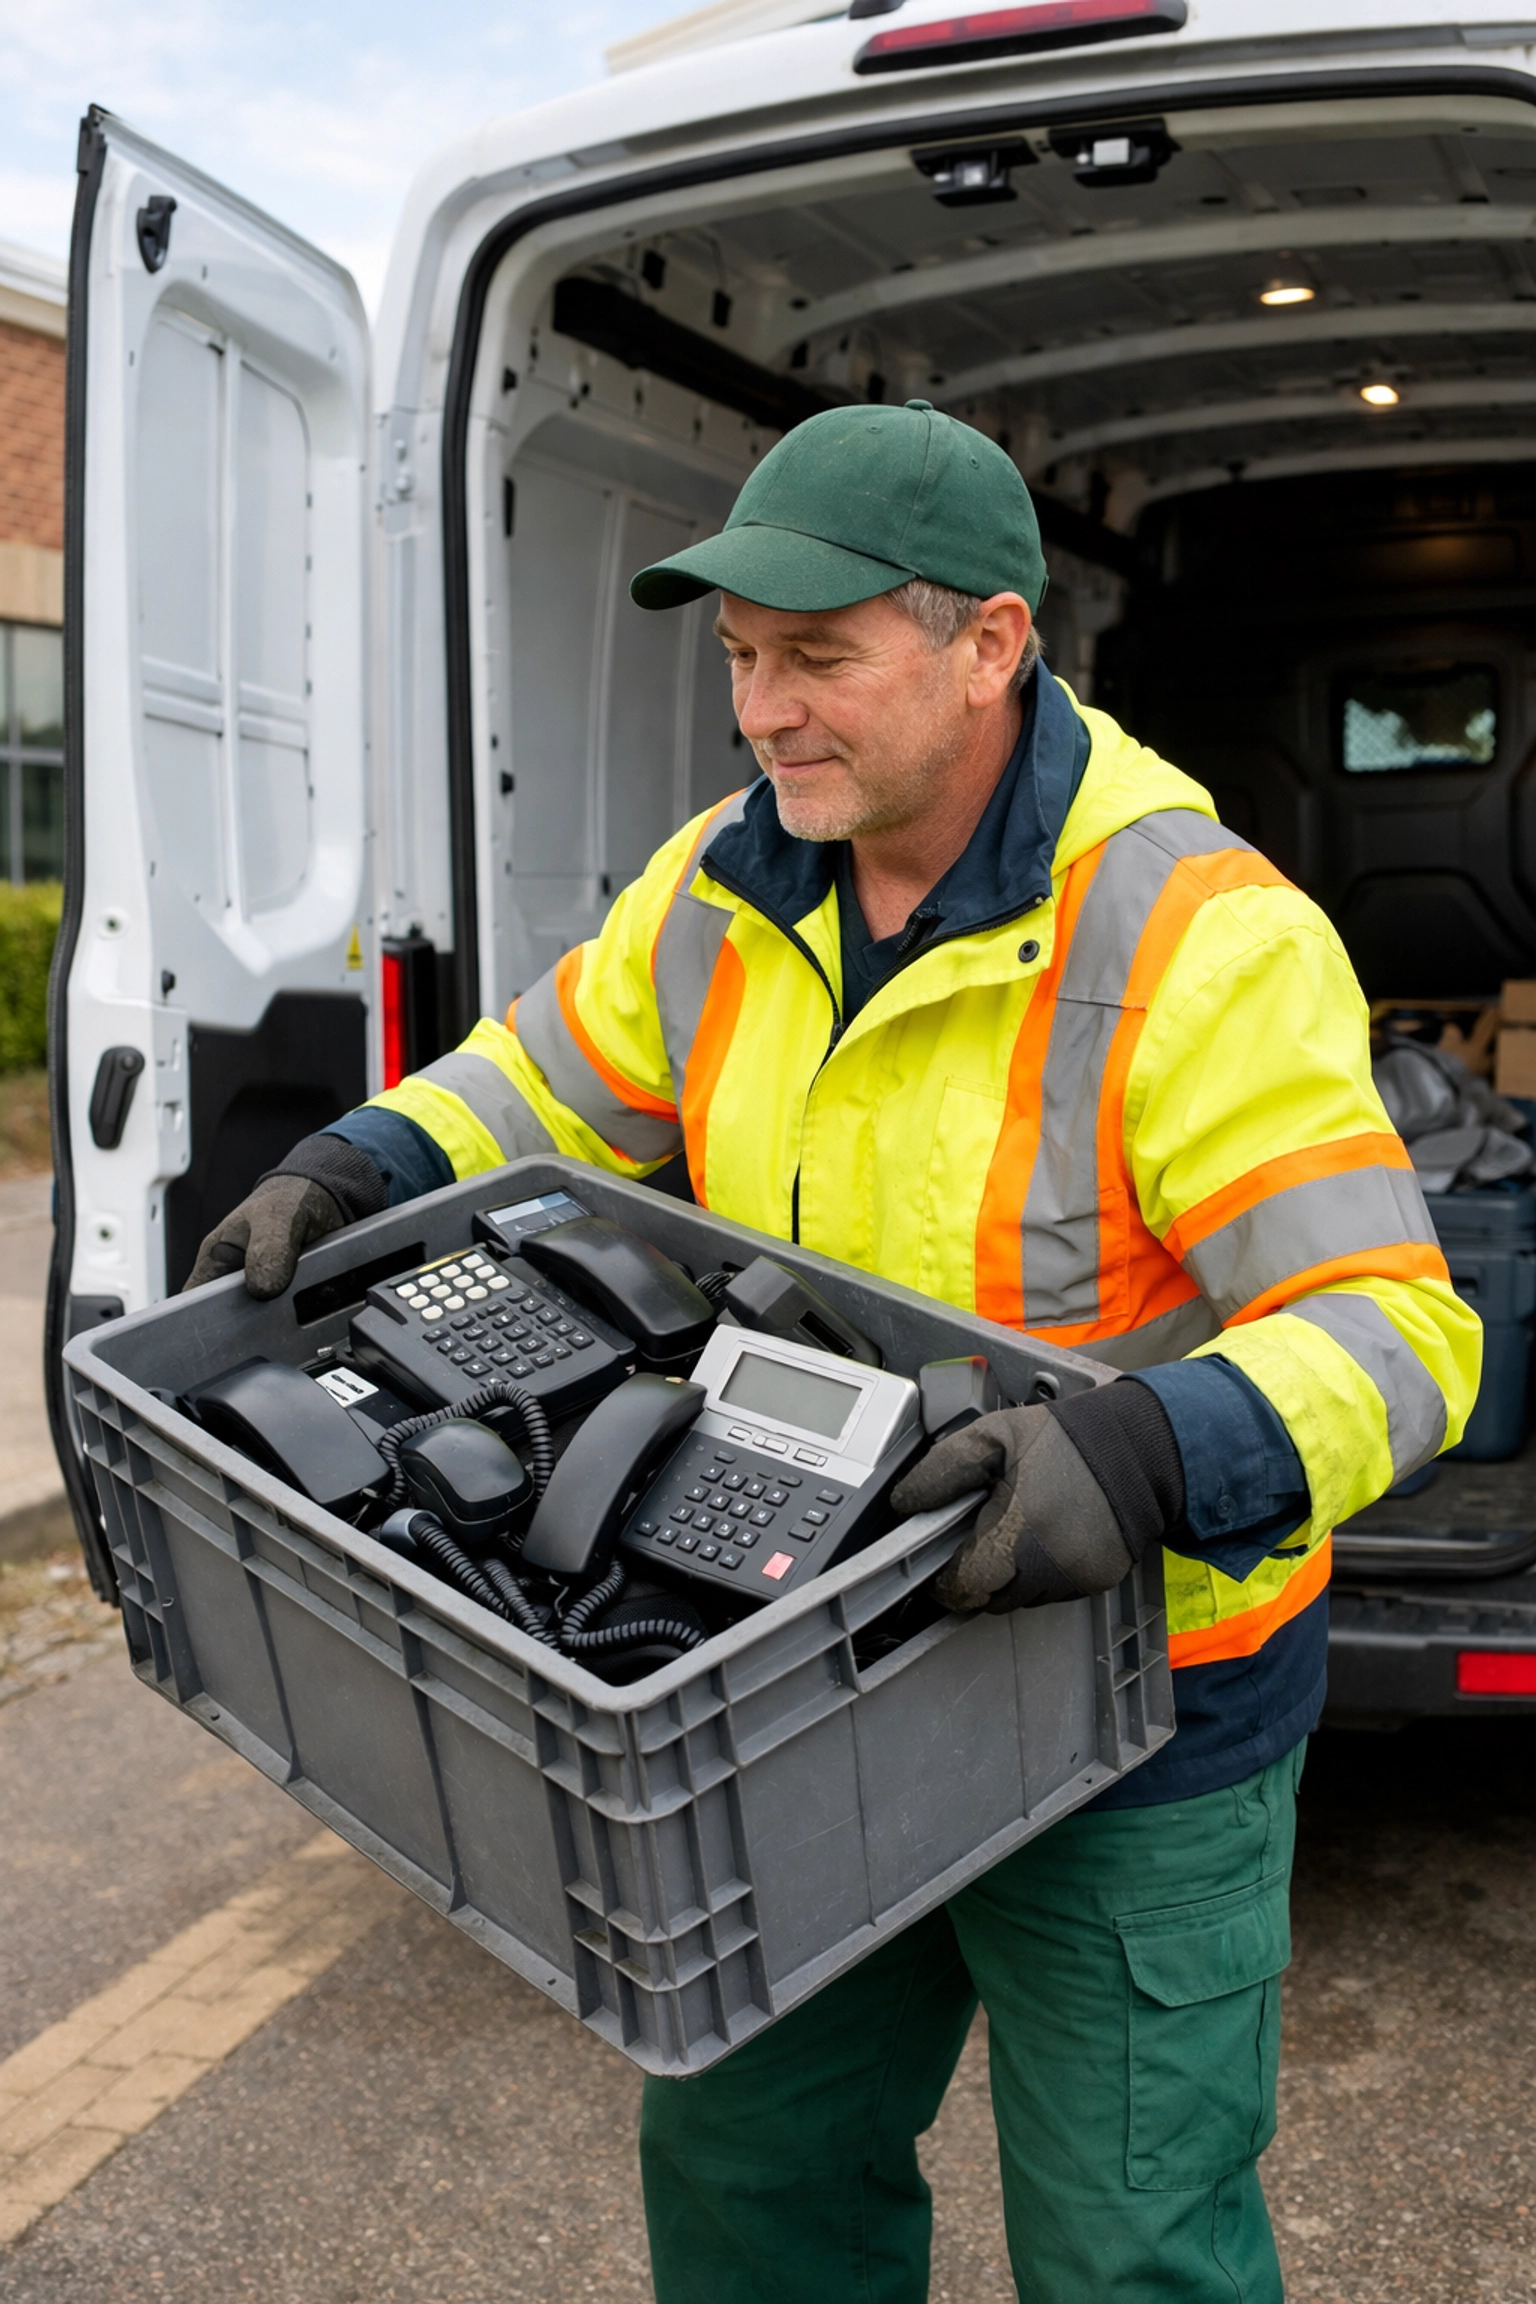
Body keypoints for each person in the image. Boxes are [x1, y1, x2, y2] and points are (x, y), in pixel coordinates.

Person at [188, 400, 1479, 2301]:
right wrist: (362, 1154)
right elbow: (549, 1073)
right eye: (737, 661)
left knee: (1137, 2255)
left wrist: (1140, 1455)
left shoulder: (1197, 934)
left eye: (817, 657)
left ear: (989, 646)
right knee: (748, 2180)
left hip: (1131, 1705)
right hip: (798, 1682)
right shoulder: (720, 880)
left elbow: (1401, 1335)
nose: (764, 712)